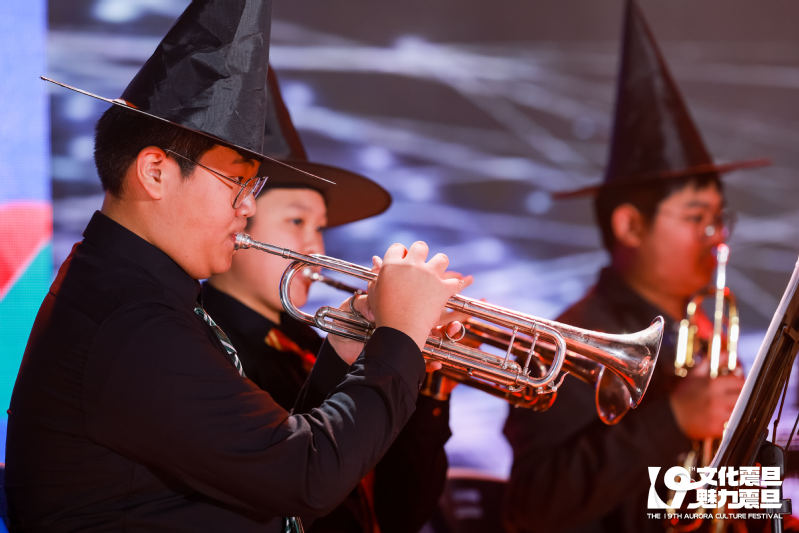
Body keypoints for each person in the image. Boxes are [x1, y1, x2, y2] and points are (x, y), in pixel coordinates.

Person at [4, 2, 464, 531]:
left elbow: (269, 466)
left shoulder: (130, 292)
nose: (246, 208)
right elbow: (304, 478)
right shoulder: (129, 319)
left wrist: (346, 350)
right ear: (156, 172)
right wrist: (400, 337)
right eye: (237, 182)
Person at [502, 1, 759, 532]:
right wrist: (673, 421)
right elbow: (533, 507)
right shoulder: (568, 342)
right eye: (695, 217)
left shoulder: (705, 333)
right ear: (630, 226)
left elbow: (699, 493)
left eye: (718, 220)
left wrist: (766, 508)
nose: (714, 238)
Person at [202, 65, 454, 533]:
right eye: (297, 222)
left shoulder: (307, 341)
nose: (316, 249)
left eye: (319, 227)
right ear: (239, 223)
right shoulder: (205, 345)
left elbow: (402, 512)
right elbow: (295, 493)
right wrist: (395, 343)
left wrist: (425, 380)